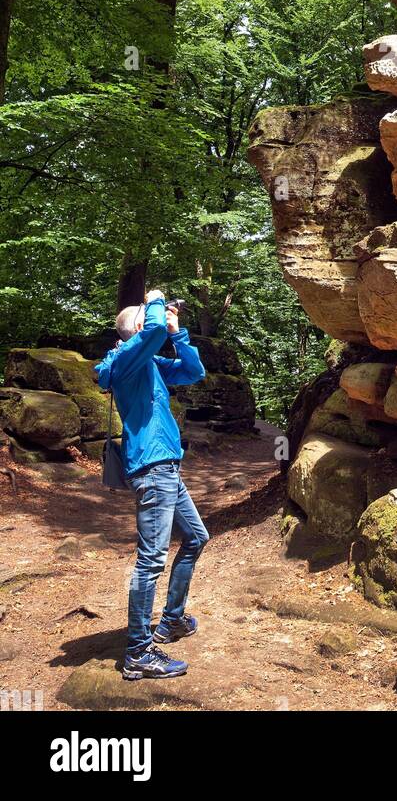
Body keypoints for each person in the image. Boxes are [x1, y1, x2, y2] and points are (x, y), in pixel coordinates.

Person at [95, 288, 209, 680]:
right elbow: (154, 327)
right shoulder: (126, 359)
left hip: (167, 471)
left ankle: (172, 620)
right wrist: (156, 299)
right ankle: (139, 652)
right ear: (139, 327)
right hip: (153, 471)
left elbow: (194, 372)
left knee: (196, 538)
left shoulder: (150, 363)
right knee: (150, 561)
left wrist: (179, 335)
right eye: (149, 318)